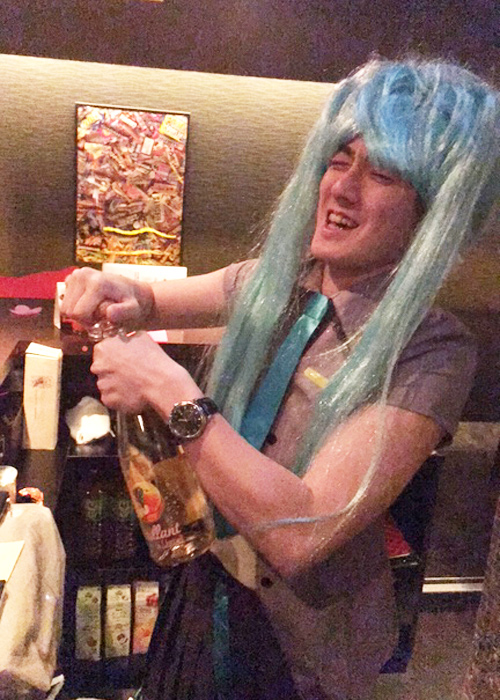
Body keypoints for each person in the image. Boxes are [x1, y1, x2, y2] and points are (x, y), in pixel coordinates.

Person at [62, 58, 500, 700]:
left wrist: (169, 390)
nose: (342, 188)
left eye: (381, 174)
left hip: (302, 648)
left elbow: (303, 534)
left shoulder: (431, 351)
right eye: (339, 160)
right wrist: (112, 286)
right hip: (208, 590)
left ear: (433, 213)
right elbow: (152, 300)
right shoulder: (276, 284)